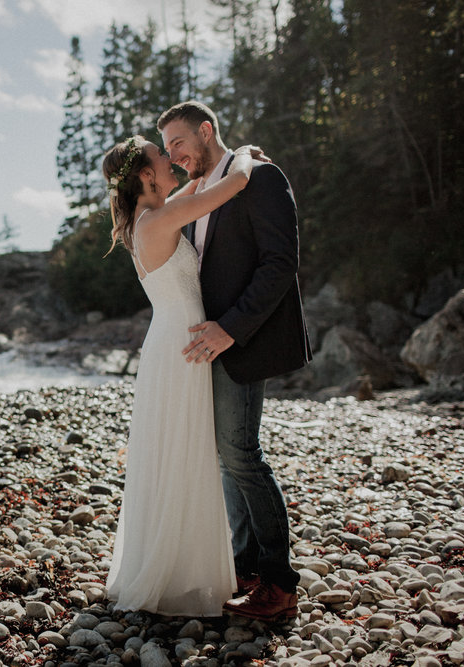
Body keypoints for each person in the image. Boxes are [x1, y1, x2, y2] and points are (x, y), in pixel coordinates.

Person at [158, 101, 312, 621]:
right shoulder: (203, 190)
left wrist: (230, 329)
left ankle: (279, 583)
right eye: (167, 149)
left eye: (179, 143)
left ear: (205, 131)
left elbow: (280, 262)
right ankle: (246, 567)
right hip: (208, 344)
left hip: (240, 340)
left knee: (242, 455)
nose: (173, 156)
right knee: (228, 459)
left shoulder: (261, 178)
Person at [102, 134, 259, 616]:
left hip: (172, 342)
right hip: (181, 348)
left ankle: (178, 566)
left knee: (179, 450)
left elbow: (197, 185)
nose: (170, 160)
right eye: (161, 156)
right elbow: (232, 184)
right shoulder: (160, 218)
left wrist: (196, 168)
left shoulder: (149, 216)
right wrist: (247, 153)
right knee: (186, 450)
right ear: (147, 175)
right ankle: (179, 575)